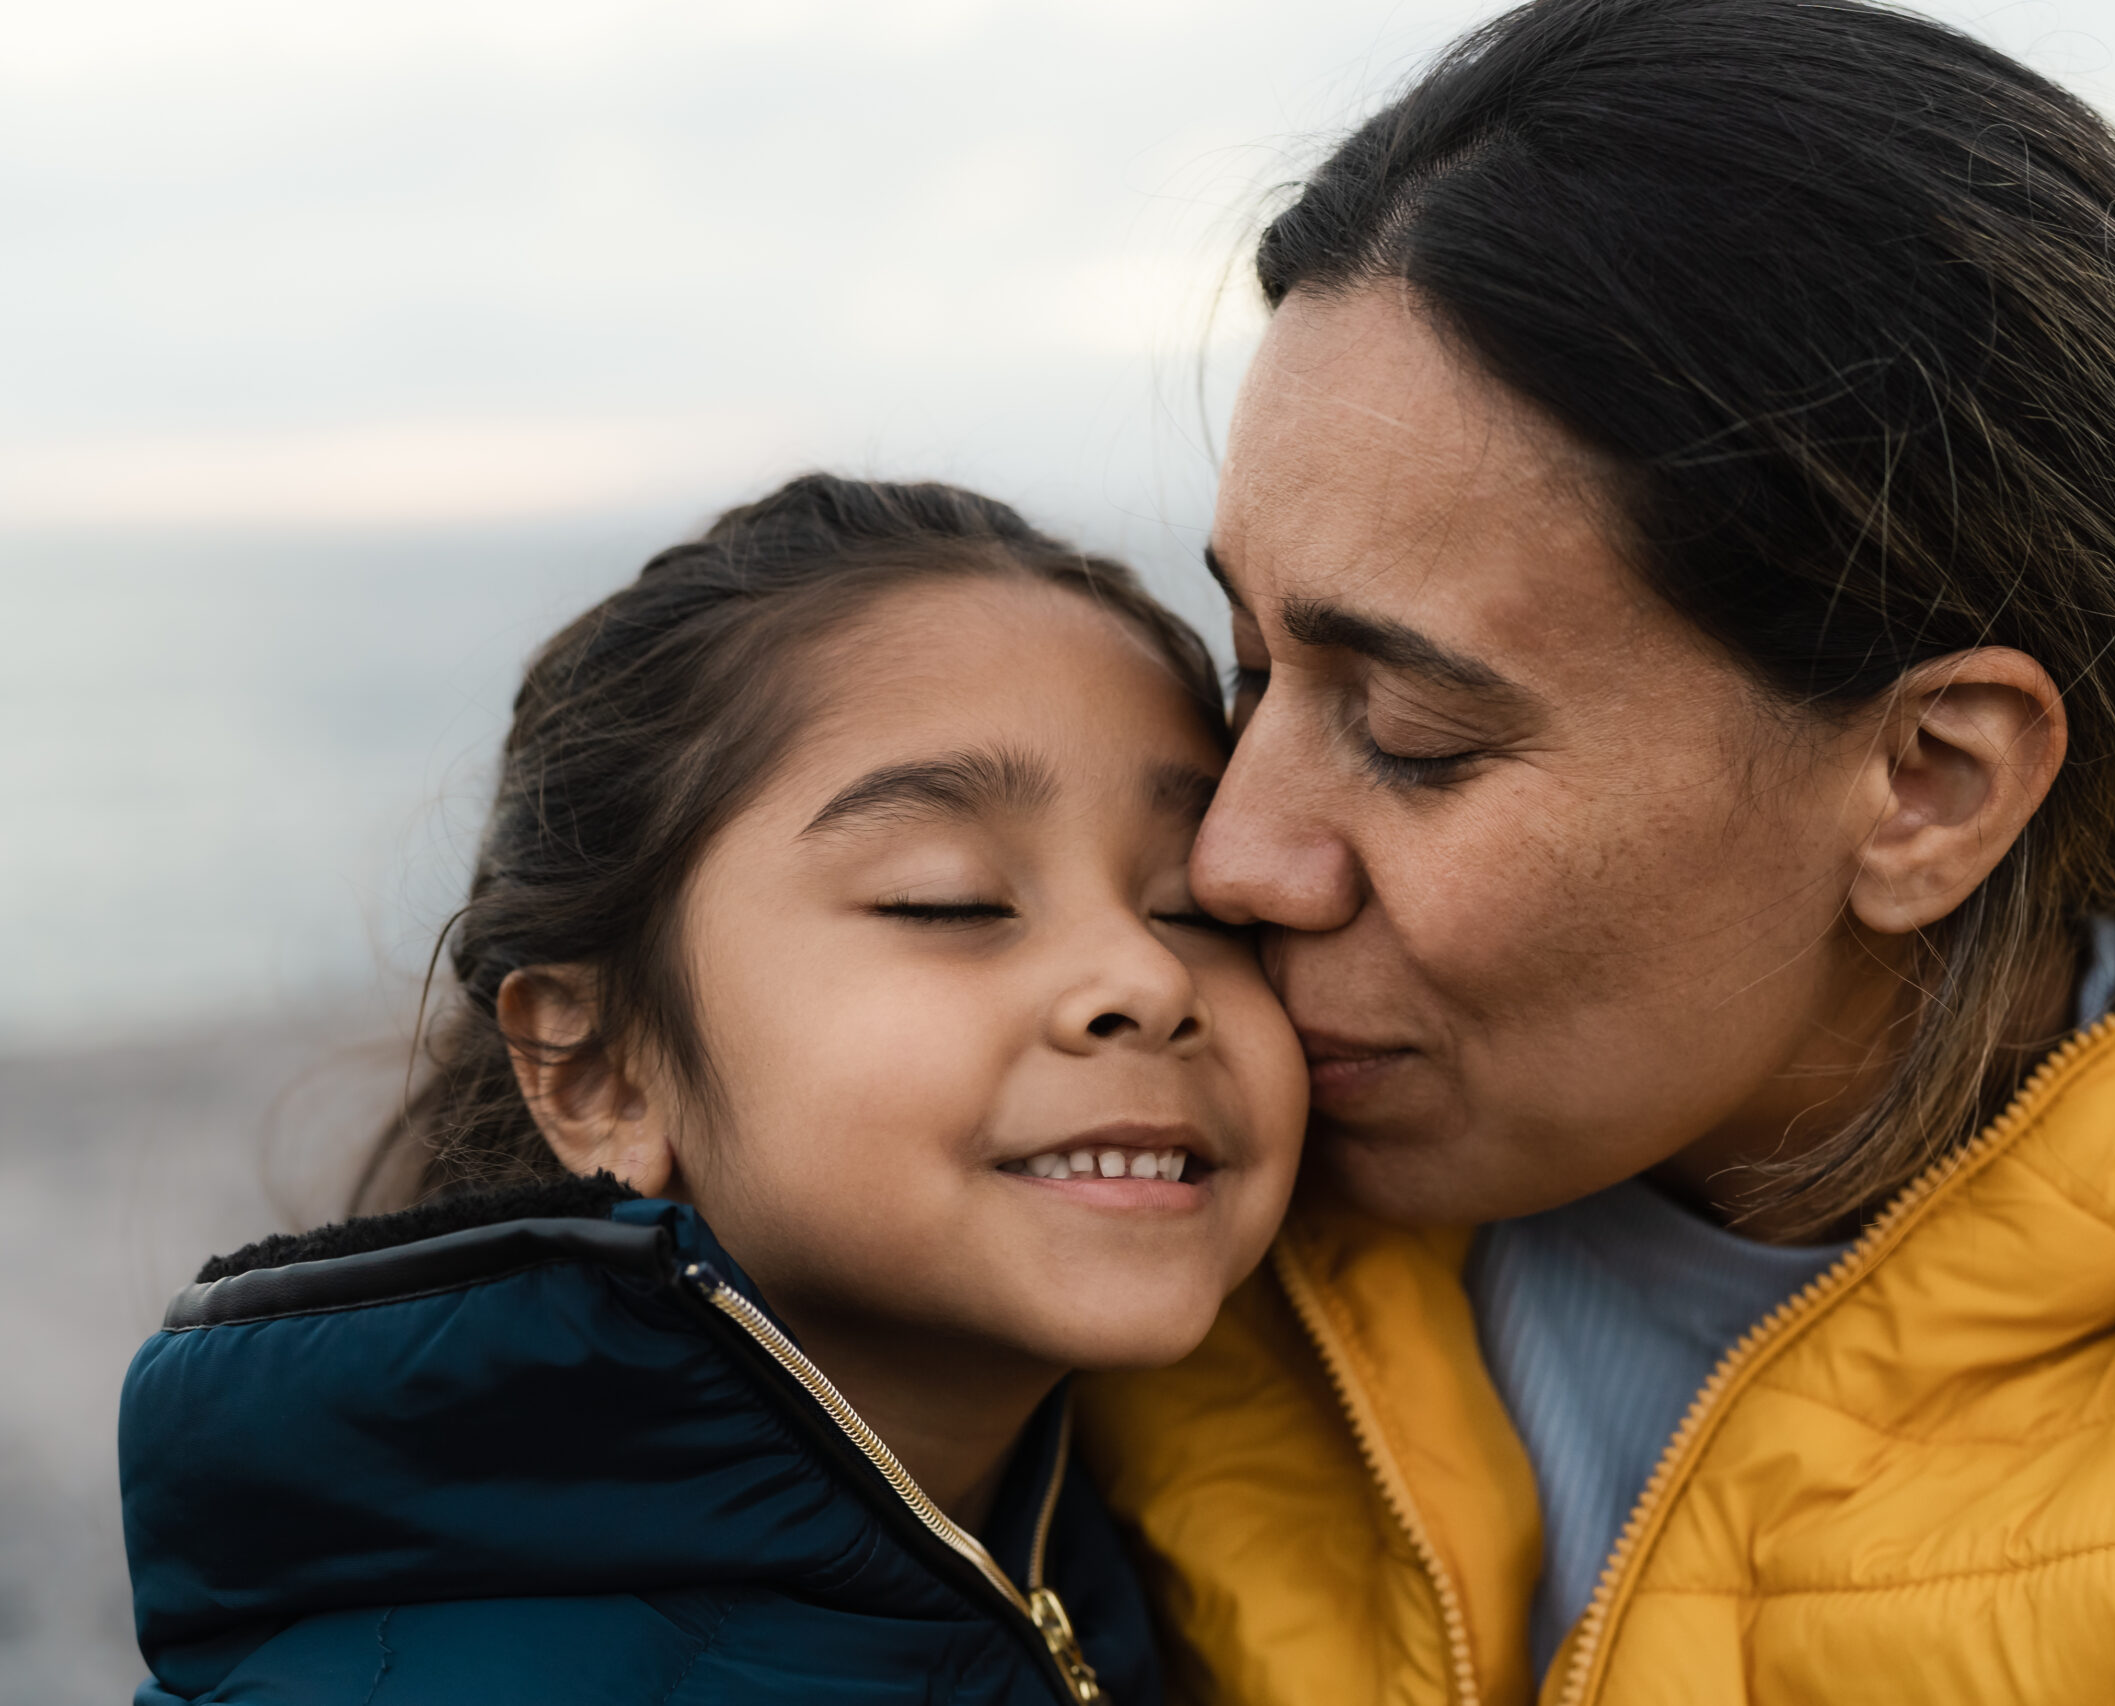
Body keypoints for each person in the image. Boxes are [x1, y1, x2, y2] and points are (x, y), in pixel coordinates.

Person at [1077, 2, 2115, 1701]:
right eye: (1250, 670)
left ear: (1931, 783)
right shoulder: (1125, 1161)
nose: (1236, 860)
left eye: (1417, 733)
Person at [116, 475, 1308, 1705]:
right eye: (948, 898)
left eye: (1192, 904)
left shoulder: (1142, 1566)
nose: (1146, 973)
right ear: (601, 1070)